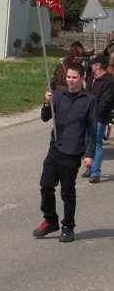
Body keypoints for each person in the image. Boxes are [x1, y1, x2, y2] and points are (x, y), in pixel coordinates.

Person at [33, 62, 97, 243]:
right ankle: (50, 220)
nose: (70, 80)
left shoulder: (89, 100)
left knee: (67, 192)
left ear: (82, 79)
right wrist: (47, 102)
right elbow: (45, 117)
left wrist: (90, 154)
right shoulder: (58, 95)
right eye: (68, 77)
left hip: (72, 152)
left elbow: (92, 130)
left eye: (74, 77)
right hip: (55, 148)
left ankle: (68, 227)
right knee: (46, 185)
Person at [82, 54, 113, 183]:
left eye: (93, 64)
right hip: (87, 116)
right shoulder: (91, 78)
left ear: (98, 66)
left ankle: (95, 173)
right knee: (87, 142)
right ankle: (89, 167)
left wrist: (94, 114)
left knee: (97, 144)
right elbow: (85, 95)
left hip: (99, 117)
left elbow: (105, 102)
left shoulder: (108, 81)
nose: (91, 65)